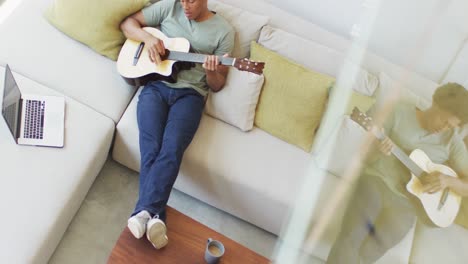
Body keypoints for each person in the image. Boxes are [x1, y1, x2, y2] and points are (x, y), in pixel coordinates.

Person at [120, 0, 234, 249]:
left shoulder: (224, 31)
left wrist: (212, 71)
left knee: (171, 150)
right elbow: (128, 24)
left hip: (190, 96)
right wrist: (147, 39)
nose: (185, 6)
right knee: (151, 147)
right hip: (155, 86)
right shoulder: (169, 7)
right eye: (182, 0)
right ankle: (155, 215)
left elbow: (218, 85)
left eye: (191, 1)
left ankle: (144, 213)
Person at [327, 83, 468, 264]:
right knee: (351, 237)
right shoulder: (398, 112)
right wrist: (379, 150)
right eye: (444, 120)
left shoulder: (452, 142)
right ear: (436, 103)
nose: (444, 129)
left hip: (408, 203)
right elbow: (365, 158)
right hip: (376, 182)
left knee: (370, 252)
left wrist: (448, 181)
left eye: (451, 126)